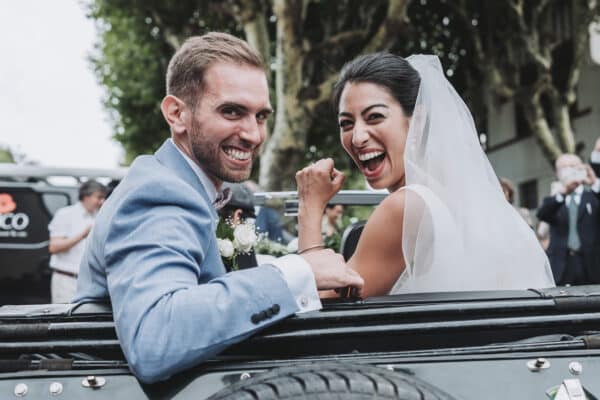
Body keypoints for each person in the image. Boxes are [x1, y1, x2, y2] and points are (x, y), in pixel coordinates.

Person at [73, 32, 363, 384]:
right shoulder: (159, 193)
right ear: (177, 114)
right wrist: (297, 273)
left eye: (260, 116)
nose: (254, 135)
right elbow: (155, 335)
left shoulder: (191, 187)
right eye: (232, 111)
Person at [295, 53, 555, 297]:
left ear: (417, 120)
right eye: (346, 124)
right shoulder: (467, 199)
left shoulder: (405, 207)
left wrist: (309, 208)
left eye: (374, 117)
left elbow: (317, 311)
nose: (358, 137)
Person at [536, 154, 600, 285]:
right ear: (557, 173)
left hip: (591, 265)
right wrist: (564, 192)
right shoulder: (555, 199)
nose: (569, 171)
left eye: (572, 167)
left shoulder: (593, 197)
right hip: (561, 266)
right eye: (563, 168)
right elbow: (542, 214)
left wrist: (594, 181)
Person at [48, 180, 106, 303]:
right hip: (67, 281)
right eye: (99, 197)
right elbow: (54, 247)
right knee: (64, 320)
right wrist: (82, 235)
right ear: (86, 196)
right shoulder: (65, 214)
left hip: (91, 284)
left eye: (103, 198)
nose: (102, 201)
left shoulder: (100, 216)